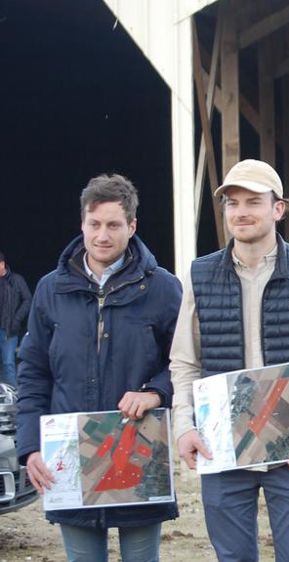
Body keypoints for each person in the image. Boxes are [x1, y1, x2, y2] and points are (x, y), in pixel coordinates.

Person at [170, 159, 289, 562]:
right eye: (232, 203)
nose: (241, 212)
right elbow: (184, 361)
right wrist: (184, 426)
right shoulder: (199, 276)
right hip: (223, 446)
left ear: (278, 208)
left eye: (253, 201)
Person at [16, 174, 181, 561]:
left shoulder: (163, 289)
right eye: (95, 224)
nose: (102, 235)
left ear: (132, 226)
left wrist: (156, 391)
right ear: (82, 224)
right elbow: (33, 371)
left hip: (138, 450)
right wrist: (30, 446)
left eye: (113, 225)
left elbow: (186, 365)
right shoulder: (50, 290)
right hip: (69, 453)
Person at [0, 250, 31, 388]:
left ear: (2, 264)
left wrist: (16, 320)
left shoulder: (17, 280)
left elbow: (27, 300)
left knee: (8, 363)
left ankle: (13, 400)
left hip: (9, 330)